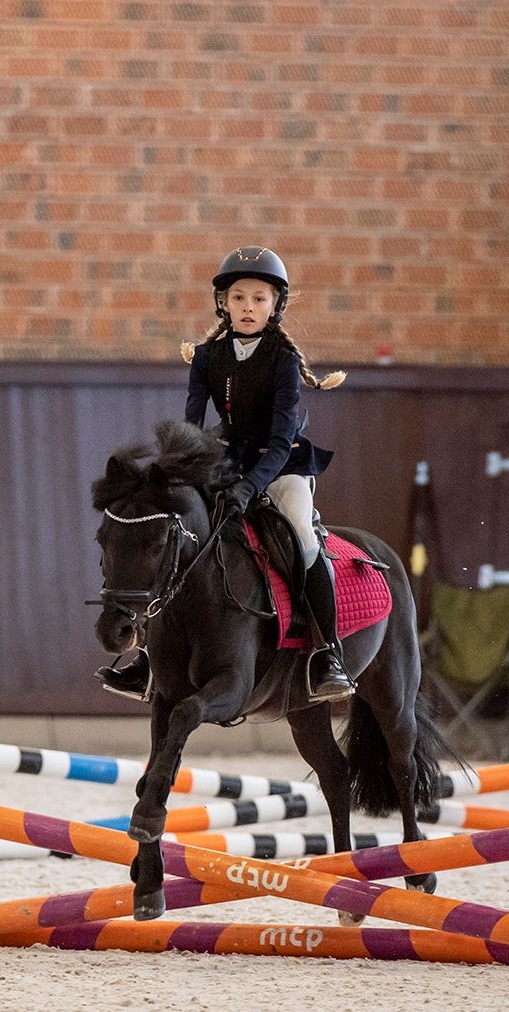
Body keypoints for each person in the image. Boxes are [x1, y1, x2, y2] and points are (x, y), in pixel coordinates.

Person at [98, 246, 352, 705]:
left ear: (275, 305)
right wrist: (179, 479)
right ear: (224, 304)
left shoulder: (283, 361)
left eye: (259, 298)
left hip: (282, 466)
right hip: (225, 462)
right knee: (179, 539)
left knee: (302, 534)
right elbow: (191, 430)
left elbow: (278, 444)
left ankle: (327, 654)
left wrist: (248, 487)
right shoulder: (207, 357)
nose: (249, 307)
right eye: (239, 298)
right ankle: (150, 660)